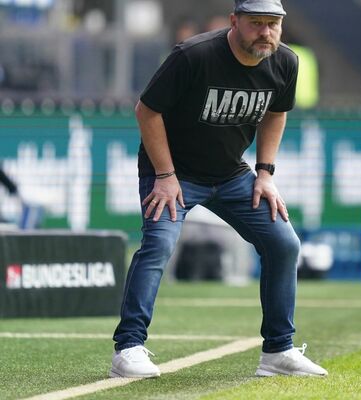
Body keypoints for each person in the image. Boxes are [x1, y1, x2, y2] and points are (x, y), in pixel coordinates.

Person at [109, 0, 327, 379]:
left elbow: (277, 112)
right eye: (256, 23)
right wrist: (164, 174)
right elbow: (147, 111)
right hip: (173, 174)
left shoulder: (285, 62)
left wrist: (265, 173)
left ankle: (278, 351)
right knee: (158, 244)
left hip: (231, 174)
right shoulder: (193, 56)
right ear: (234, 22)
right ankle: (128, 347)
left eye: (273, 24)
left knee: (284, 242)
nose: (266, 32)